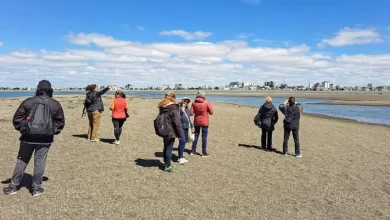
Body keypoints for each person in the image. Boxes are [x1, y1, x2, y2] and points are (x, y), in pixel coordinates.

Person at [3, 80, 65, 196]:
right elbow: (60, 122)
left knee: (22, 161)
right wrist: (51, 131)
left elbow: (17, 119)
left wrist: (24, 129)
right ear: (50, 90)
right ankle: (36, 189)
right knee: (40, 162)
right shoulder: (55, 104)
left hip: (27, 137)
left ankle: (13, 187)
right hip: (45, 139)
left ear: (38, 89)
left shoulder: (29, 101)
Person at [158, 92, 182, 172]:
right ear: (173, 98)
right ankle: (168, 166)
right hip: (170, 130)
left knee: (166, 146)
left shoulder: (162, 106)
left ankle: (165, 162)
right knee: (169, 148)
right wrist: (180, 134)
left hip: (163, 128)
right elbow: (177, 122)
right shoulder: (173, 108)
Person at [190, 90, 214, 157]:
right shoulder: (206, 102)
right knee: (204, 137)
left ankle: (193, 151)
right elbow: (211, 112)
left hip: (197, 122)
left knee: (196, 136)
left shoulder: (194, 102)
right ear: (204, 95)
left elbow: (191, 113)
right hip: (205, 122)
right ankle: (204, 152)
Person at [177, 97, 194, 164]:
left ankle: (181, 156)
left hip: (187, 128)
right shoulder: (178, 108)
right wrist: (181, 111)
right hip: (181, 128)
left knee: (184, 143)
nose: (185, 103)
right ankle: (180, 158)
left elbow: (189, 118)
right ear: (182, 101)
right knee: (182, 141)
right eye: (184, 101)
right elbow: (177, 118)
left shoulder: (187, 109)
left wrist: (192, 126)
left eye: (187, 102)